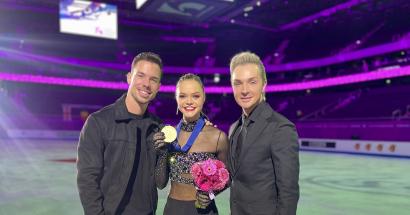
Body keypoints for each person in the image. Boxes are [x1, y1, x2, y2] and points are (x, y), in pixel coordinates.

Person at [77, 52, 163, 215]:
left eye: (153, 79)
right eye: (141, 76)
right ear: (129, 78)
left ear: (158, 87)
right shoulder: (99, 122)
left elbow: (161, 180)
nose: (146, 84)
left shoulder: (157, 127)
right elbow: (87, 179)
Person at [228, 51, 299, 215]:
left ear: (264, 84)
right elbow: (235, 178)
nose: (244, 90)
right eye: (237, 83)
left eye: (252, 82)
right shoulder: (234, 128)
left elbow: (288, 193)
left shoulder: (281, 128)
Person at [153, 73, 229, 215]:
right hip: (173, 209)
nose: (189, 101)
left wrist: (210, 195)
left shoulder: (218, 137)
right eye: (182, 96)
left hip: (204, 211)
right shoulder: (169, 136)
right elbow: (160, 183)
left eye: (195, 96)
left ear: (204, 97)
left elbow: (227, 177)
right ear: (176, 98)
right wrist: (162, 152)